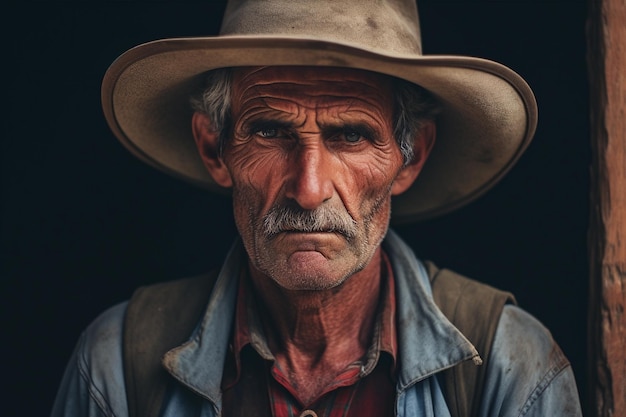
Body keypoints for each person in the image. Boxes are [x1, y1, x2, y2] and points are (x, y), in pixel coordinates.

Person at [51, 0, 583, 416]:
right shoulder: (116, 364)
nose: (308, 190)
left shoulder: (511, 367)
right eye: (268, 131)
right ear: (215, 149)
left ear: (410, 155)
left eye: (350, 136)